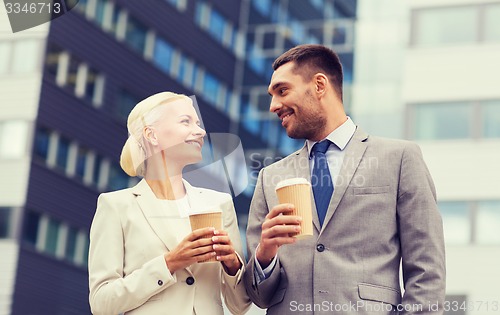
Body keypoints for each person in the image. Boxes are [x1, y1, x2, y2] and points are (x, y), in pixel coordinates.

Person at [244, 44, 446, 314]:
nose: (273, 106)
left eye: (282, 91)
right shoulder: (270, 177)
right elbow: (260, 297)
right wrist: (265, 253)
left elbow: (427, 271)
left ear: (319, 85)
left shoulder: (399, 158)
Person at [88, 92, 251, 315]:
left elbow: (240, 306)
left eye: (198, 123)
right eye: (186, 121)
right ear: (151, 134)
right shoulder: (116, 206)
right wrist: (169, 263)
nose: (201, 131)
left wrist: (232, 263)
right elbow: (101, 303)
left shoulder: (219, 203)